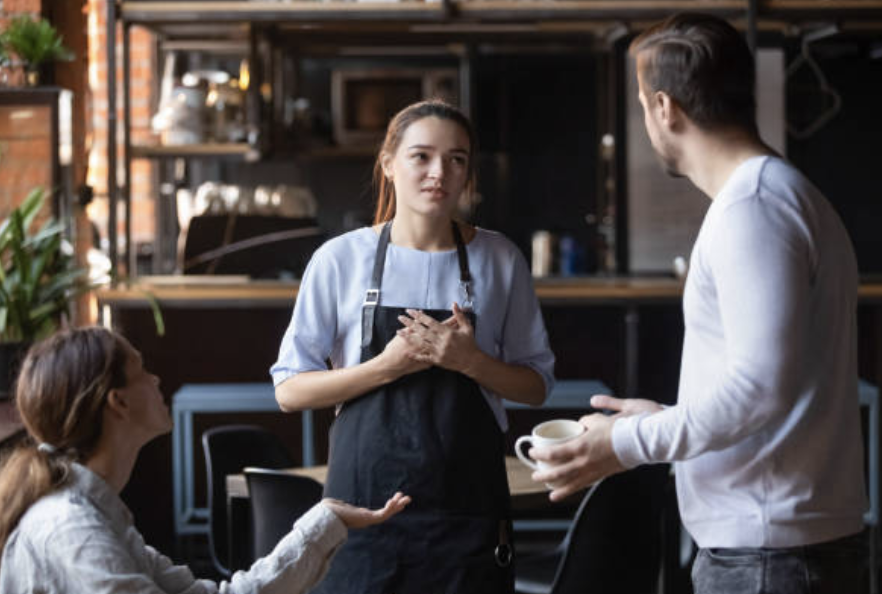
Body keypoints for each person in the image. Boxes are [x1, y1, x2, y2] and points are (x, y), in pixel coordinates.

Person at [530, 13, 868, 594]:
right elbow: (770, 386)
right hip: (781, 547)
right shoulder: (781, 194)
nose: (646, 118)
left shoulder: (753, 208)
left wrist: (624, 444)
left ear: (665, 108)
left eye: (641, 103)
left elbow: (760, 389)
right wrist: (663, 419)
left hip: (769, 557)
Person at [271, 99, 555, 594]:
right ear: (389, 164)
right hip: (360, 516)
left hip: (468, 518)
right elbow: (289, 390)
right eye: (421, 156)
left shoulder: (499, 259)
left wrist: (470, 361)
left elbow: (536, 386)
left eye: (457, 159)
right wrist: (385, 367)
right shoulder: (340, 260)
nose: (439, 173)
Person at [0, 326, 410, 593]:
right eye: (142, 371)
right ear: (118, 402)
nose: (156, 379)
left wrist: (325, 520)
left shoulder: (98, 514)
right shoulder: (74, 529)